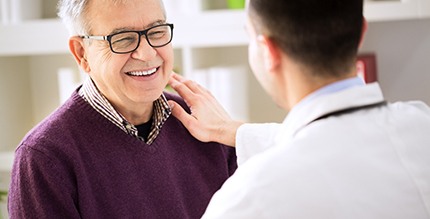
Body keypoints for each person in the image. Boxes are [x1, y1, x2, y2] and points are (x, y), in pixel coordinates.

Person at [167, 0, 430, 218]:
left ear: (268, 51)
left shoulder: (248, 199)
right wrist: (234, 131)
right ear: (361, 32)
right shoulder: (421, 124)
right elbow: (336, 142)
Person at [7, 0, 237, 218]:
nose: (147, 54)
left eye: (157, 32)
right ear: (81, 53)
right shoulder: (43, 157)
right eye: (123, 39)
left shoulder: (205, 123)